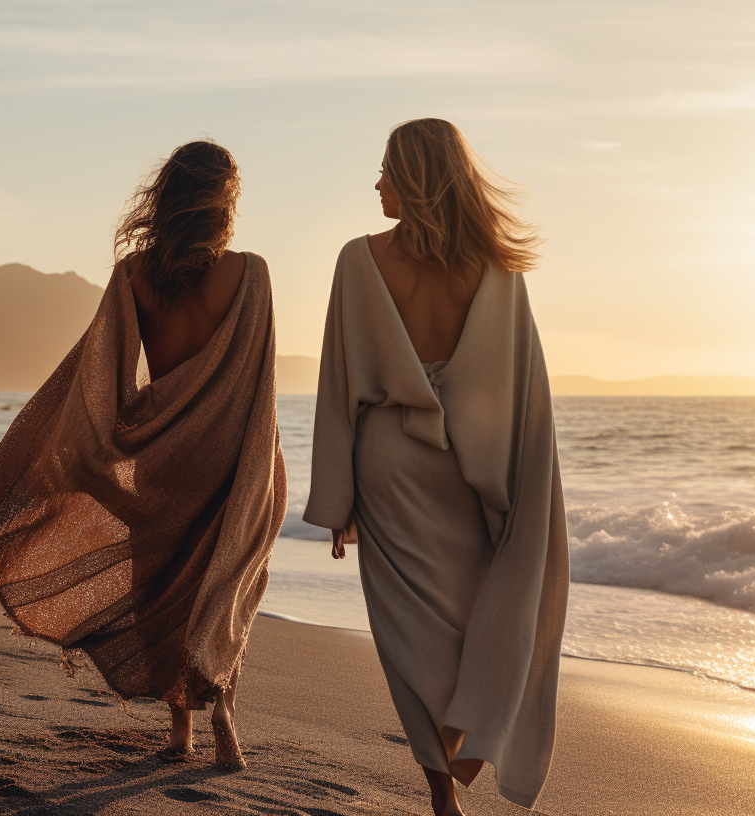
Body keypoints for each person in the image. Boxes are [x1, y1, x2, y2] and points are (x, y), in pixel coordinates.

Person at [0, 140, 287, 769]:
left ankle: (179, 728)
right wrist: (258, 467)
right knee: (222, 581)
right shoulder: (252, 273)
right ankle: (225, 718)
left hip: (157, 457)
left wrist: (96, 448)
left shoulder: (134, 275)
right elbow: (258, 387)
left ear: (167, 196)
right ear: (223, 201)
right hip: (224, 459)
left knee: (157, 589)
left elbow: (100, 377)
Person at [303, 119, 568, 815]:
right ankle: (473, 731)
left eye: (386, 169)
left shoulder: (358, 260)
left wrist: (337, 501)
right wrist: (516, 493)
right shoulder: (498, 270)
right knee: (472, 616)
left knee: (406, 633)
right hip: (468, 468)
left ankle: (439, 793)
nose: (378, 183)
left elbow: (338, 387)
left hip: (387, 464)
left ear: (415, 177)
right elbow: (523, 396)